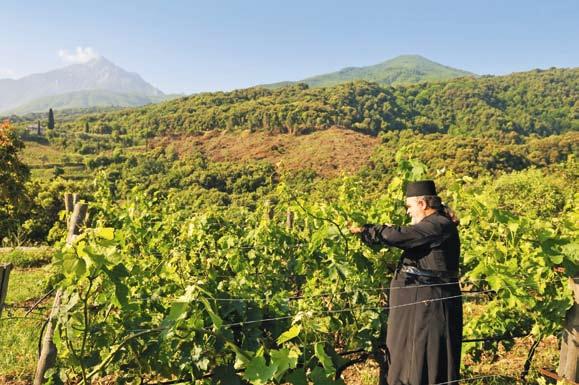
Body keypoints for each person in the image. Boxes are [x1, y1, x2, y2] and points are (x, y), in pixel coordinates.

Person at [349, 180, 462, 385]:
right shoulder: (434, 225)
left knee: (420, 358)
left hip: (428, 307)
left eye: (409, 207)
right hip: (419, 306)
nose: (408, 212)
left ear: (422, 204)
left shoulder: (438, 224)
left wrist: (368, 231)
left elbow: (401, 235)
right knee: (408, 356)